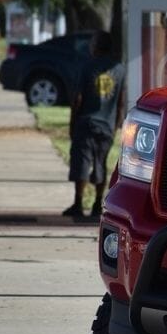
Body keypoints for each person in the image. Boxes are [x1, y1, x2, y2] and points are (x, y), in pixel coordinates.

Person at [64, 30, 125, 219]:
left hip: (86, 123)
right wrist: (115, 127)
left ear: (96, 47)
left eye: (92, 43)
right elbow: (121, 102)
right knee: (101, 163)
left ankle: (78, 204)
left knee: (82, 162)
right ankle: (98, 204)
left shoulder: (86, 66)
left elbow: (78, 99)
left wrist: (72, 123)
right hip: (107, 126)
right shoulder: (120, 69)